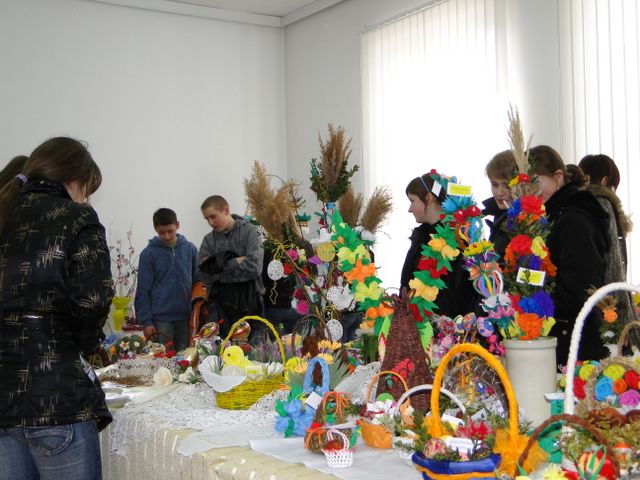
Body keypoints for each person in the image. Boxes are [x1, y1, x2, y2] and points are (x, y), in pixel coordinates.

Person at [0, 137, 113, 479]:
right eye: (87, 190)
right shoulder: (77, 217)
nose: (85, 199)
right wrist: (82, 345)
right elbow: (92, 299)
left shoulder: (5, 213)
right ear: (74, 180)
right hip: (55, 397)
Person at [529, 145, 610, 364]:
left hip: (573, 340)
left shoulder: (573, 219)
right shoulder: (551, 215)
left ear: (558, 177)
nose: (531, 192)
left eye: (536, 182)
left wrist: (536, 304)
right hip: (562, 334)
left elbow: (579, 287)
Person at [400, 172, 478, 318]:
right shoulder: (421, 235)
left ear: (428, 198)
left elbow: (459, 294)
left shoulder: (458, 238)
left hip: (444, 326)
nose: (410, 209)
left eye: (412, 201)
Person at [578, 154, 638, 340]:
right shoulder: (603, 203)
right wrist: (624, 319)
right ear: (605, 180)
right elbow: (614, 264)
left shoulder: (576, 205)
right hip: (605, 304)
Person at [198, 195, 265, 338]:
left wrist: (218, 266)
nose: (210, 222)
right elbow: (204, 274)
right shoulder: (208, 241)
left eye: (213, 216)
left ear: (226, 210)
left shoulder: (250, 232)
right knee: (222, 349)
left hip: (251, 303)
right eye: (206, 219)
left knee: (255, 349)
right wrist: (237, 261)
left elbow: (255, 267)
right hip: (221, 308)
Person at [135, 208, 199, 352]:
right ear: (155, 229)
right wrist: (146, 322)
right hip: (160, 321)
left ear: (178, 225)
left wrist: (198, 312)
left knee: (187, 358)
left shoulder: (190, 250)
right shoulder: (148, 254)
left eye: (170, 231)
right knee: (163, 360)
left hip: (186, 318)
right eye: (162, 232)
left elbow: (199, 281)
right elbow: (143, 290)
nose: (167, 236)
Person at [482, 150, 517, 260]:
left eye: (507, 186)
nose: (499, 193)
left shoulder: (529, 222)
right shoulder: (499, 213)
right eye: (494, 184)